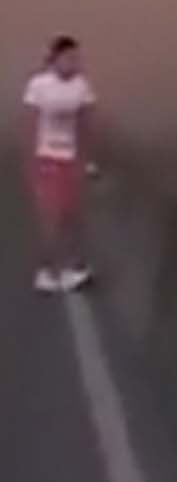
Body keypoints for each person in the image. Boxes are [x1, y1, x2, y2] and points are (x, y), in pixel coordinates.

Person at [22, 37, 96, 294]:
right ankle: (47, 271)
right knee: (52, 217)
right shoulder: (39, 85)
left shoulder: (81, 87)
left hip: (70, 158)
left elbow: (85, 124)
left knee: (71, 216)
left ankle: (71, 268)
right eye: (68, 58)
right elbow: (31, 124)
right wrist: (31, 160)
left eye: (76, 58)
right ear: (55, 59)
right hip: (47, 157)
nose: (74, 62)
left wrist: (85, 161)